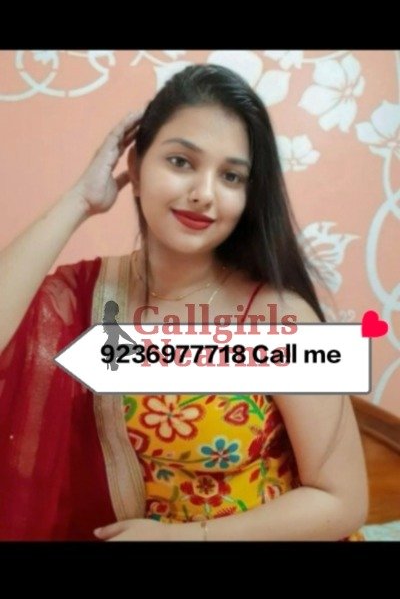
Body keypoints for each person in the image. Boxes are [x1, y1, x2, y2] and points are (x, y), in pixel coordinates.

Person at [0, 64, 368, 541]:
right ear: (136, 167)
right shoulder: (90, 296)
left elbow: (343, 501)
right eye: (181, 162)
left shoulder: (279, 315)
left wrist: (181, 538)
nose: (203, 194)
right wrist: (80, 201)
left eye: (231, 176)